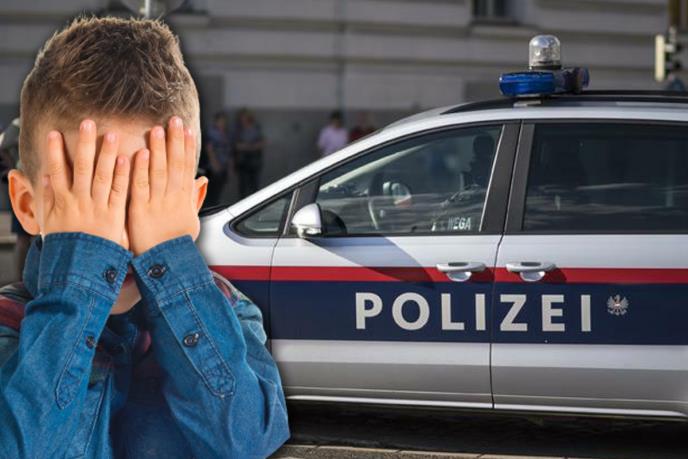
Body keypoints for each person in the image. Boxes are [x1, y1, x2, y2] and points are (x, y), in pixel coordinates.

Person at [0, 16, 289, 459]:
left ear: (190, 206)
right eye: (91, 198)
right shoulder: (9, 325)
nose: (120, 238)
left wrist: (169, 262)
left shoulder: (227, 310)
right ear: (26, 205)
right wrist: (78, 286)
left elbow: (246, 442)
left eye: (150, 196)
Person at [0, 118, 31, 281]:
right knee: (23, 238)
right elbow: (3, 147)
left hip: (31, 182)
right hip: (25, 183)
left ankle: (24, 279)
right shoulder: (18, 123)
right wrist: (11, 166)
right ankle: (20, 279)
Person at [233, 108, 265, 199]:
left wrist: (250, 146)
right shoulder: (238, 130)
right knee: (243, 186)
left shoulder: (256, 128)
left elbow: (262, 142)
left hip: (254, 161)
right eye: (242, 117)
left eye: (245, 117)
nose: (243, 119)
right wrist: (250, 146)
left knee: (254, 185)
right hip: (242, 161)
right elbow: (236, 145)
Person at [203, 111, 232, 206]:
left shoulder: (226, 133)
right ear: (216, 121)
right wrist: (215, 164)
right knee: (212, 192)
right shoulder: (212, 133)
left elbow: (229, 151)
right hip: (213, 167)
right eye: (221, 121)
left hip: (223, 166)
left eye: (224, 121)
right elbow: (209, 149)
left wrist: (230, 167)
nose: (223, 123)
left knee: (219, 191)